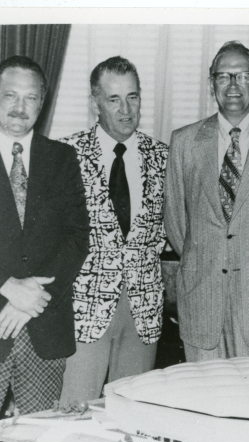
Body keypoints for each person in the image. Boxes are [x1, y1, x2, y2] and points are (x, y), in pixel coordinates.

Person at [165, 41, 249, 361]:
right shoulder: (184, 141)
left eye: (243, 76)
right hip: (202, 303)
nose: (233, 84)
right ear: (211, 83)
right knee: (204, 406)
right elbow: (176, 221)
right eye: (224, 76)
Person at [59, 56, 168, 404]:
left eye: (132, 97)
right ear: (95, 104)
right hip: (84, 312)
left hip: (143, 311)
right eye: (113, 99)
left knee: (133, 419)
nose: (125, 110)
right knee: (75, 412)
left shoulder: (163, 157)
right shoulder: (65, 155)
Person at [0, 55, 89, 414]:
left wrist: (35, 298)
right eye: (10, 95)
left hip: (44, 329)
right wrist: (7, 286)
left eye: (31, 97)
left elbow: (77, 236)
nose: (20, 108)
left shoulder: (62, 158)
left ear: (43, 101)